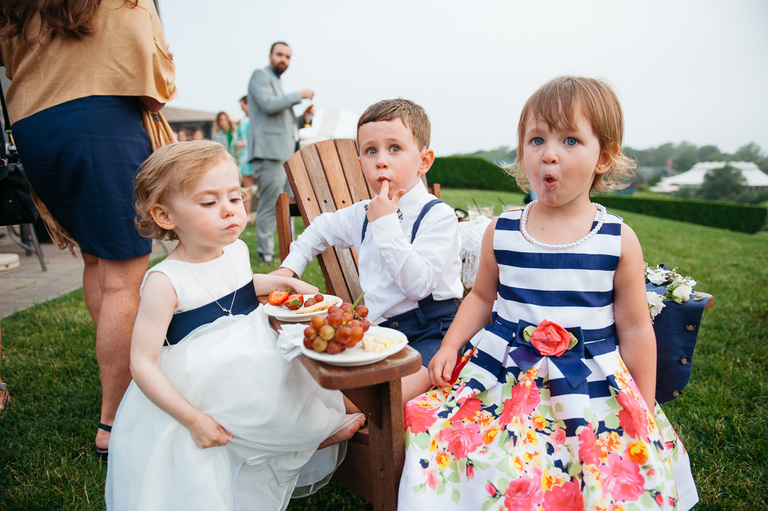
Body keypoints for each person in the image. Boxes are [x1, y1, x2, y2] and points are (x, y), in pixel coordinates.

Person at [398, 76, 698, 510]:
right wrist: (450, 343)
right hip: (503, 376)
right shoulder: (503, 231)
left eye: (571, 140)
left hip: (589, 383)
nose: (549, 154)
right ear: (521, 152)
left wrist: (643, 406)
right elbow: (482, 298)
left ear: (604, 156)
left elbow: (634, 327)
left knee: (593, 464)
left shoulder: (616, 239)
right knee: (461, 442)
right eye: (537, 139)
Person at [105, 141, 365, 511]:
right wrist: (192, 419)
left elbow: (238, 287)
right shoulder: (165, 280)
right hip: (203, 378)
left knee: (296, 366)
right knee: (254, 387)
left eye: (235, 198)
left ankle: (304, 433)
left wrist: (284, 283)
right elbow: (142, 363)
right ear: (165, 216)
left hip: (249, 346)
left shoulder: (237, 251)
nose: (229, 212)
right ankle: (296, 437)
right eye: (209, 203)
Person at [0, 0, 177, 458]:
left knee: (98, 259)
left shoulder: (17, 7)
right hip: (100, 123)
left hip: (35, 128)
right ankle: (116, 420)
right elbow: (156, 91)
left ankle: (124, 374)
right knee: (124, 274)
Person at [272, 99, 463, 402]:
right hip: (378, 331)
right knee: (319, 389)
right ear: (359, 162)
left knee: (387, 402)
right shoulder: (361, 213)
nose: (381, 161)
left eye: (395, 148)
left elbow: (418, 286)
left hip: (433, 333)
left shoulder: (437, 217)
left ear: (424, 161)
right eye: (371, 151)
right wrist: (289, 268)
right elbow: (320, 228)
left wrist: (385, 222)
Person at [247, 41, 314, 263]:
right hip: (268, 153)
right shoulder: (260, 76)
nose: (283, 59)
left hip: (286, 154)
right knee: (270, 204)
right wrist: (299, 95)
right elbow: (268, 104)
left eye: (287, 56)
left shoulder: (277, 83)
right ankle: (265, 254)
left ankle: (292, 250)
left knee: (288, 204)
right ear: (270, 55)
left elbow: (284, 120)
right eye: (280, 55)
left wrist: (302, 117)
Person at [234, 96, 255, 222]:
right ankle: (246, 214)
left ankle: (248, 214)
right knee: (246, 186)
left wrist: (245, 144)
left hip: (250, 156)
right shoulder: (244, 120)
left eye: (242, 105)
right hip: (243, 156)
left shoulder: (253, 120)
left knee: (248, 187)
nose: (241, 108)